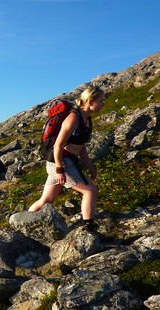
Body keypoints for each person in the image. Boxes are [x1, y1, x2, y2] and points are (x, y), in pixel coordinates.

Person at [28, 85, 105, 231]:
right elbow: (57, 146)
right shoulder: (73, 118)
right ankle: (89, 228)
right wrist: (59, 169)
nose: (103, 104)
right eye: (101, 100)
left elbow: (81, 147)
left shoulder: (86, 119)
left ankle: (24, 222)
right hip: (60, 162)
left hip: (64, 162)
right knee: (90, 191)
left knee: (46, 200)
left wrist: (90, 166)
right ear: (90, 101)